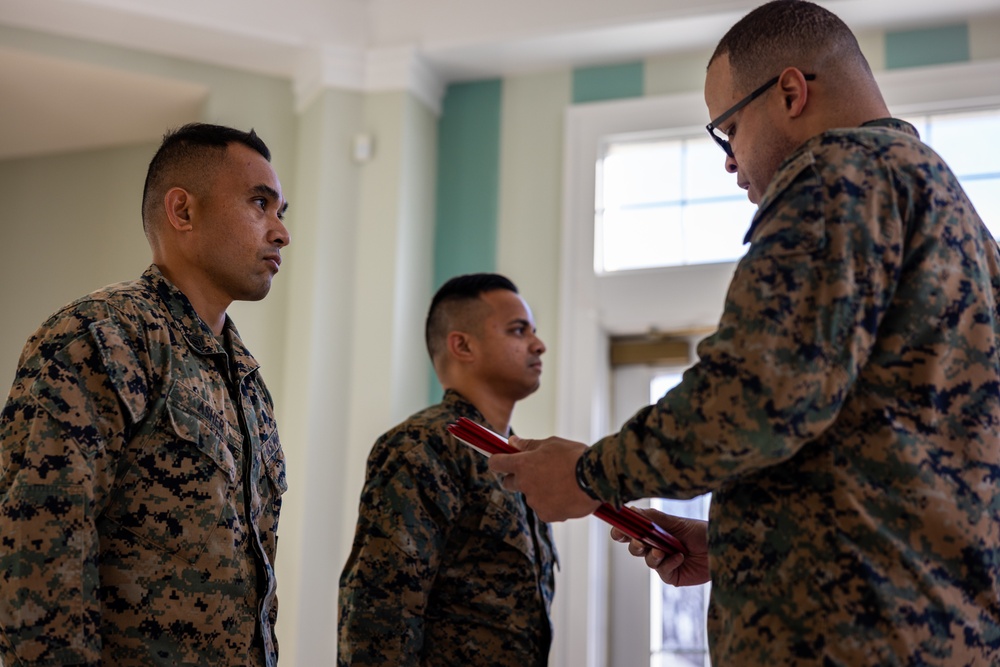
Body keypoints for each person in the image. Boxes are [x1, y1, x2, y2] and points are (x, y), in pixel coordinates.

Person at [489, 1, 1000, 664]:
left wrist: (588, 474)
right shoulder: (959, 221)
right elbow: (901, 461)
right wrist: (739, 540)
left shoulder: (834, 177)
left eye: (727, 129)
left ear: (790, 92)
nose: (729, 162)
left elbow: (754, 395)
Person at [0, 123, 291, 667]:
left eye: (282, 212)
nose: (280, 233)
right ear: (182, 211)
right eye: (260, 203)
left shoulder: (247, 382)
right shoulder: (99, 337)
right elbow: (38, 549)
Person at [338, 273, 557, 666]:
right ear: (462, 345)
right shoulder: (424, 446)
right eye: (518, 330)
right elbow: (380, 612)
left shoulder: (520, 461)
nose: (538, 344)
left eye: (534, 331)